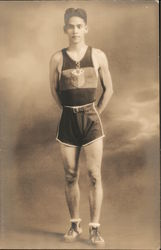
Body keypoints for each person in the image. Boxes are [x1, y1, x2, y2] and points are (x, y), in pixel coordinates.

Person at [49, 8, 113, 246]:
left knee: (95, 175)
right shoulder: (57, 58)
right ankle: (74, 225)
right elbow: (54, 91)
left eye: (79, 26)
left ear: (86, 28)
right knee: (70, 175)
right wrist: (68, 112)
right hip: (67, 121)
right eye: (71, 26)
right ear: (65, 29)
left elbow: (110, 89)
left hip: (91, 122)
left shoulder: (98, 56)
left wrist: (94, 112)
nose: (75, 30)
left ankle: (94, 229)